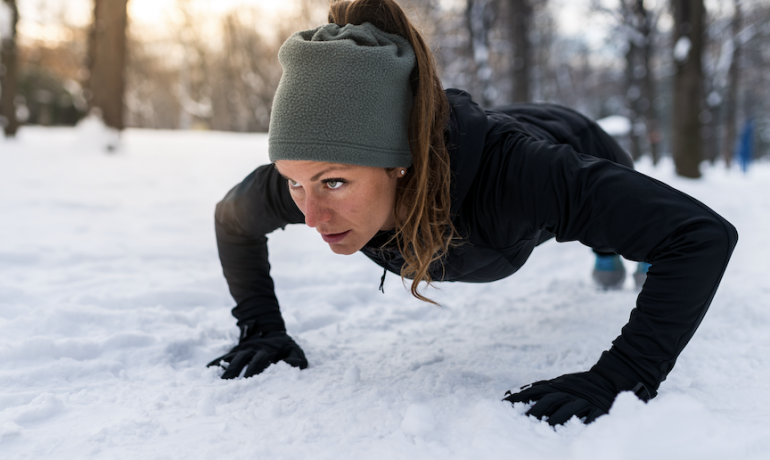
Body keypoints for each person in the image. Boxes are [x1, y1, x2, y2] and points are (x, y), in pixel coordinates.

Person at [208, 0, 738, 426]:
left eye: (334, 182)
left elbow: (698, 236)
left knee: (627, 240)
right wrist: (261, 329)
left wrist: (622, 376)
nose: (313, 216)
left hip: (571, 135)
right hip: (458, 135)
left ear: (399, 163)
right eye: (293, 182)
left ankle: (612, 256)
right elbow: (232, 218)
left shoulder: (521, 174)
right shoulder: (319, 172)